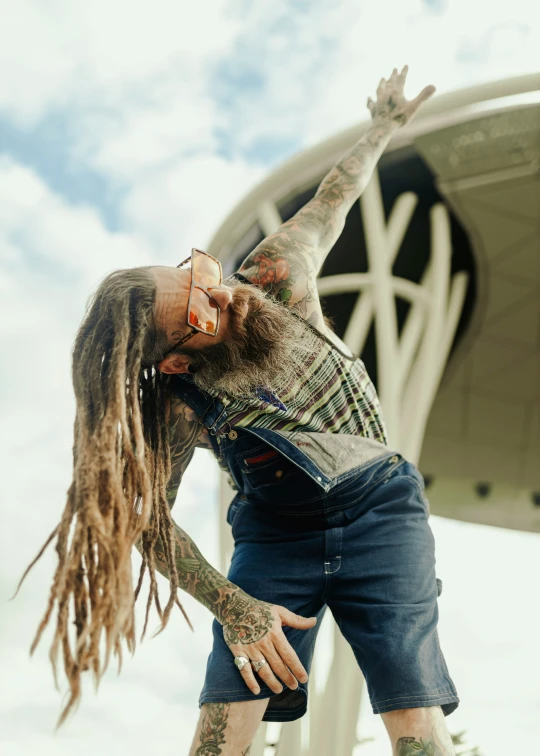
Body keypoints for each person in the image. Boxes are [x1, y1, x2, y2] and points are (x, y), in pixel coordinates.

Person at [21, 66, 459, 755]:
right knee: (222, 733)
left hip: (382, 514)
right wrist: (235, 607)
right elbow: (145, 523)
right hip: (275, 539)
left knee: (416, 723)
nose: (220, 292)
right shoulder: (180, 405)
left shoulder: (275, 276)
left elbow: (335, 199)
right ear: (173, 359)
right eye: (198, 308)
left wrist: (383, 126)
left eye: (199, 272)